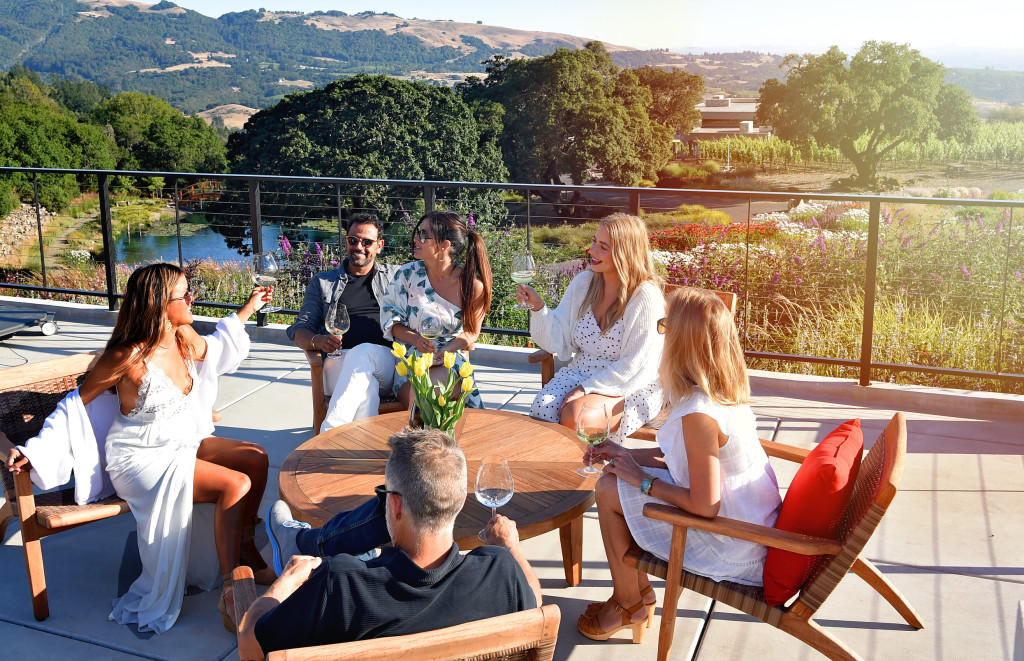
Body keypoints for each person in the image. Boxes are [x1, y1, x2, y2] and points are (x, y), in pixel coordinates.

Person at [8, 263, 274, 633]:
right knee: (235, 484)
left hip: (181, 441)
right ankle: (233, 587)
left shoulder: (185, 336)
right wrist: (35, 450)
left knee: (255, 458)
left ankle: (245, 542)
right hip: (140, 456)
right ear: (161, 303)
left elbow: (217, 350)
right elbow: (75, 403)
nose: (193, 298)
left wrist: (247, 310)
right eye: (185, 293)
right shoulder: (127, 356)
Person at [577, 288, 782, 643]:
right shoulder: (720, 391)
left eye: (663, 325)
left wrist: (641, 480)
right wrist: (622, 454)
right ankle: (636, 595)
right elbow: (686, 462)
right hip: (752, 525)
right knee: (614, 479)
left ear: (681, 341)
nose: (659, 334)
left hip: (734, 544)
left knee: (609, 489)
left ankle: (629, 602)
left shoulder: (698, 414)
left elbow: (705, 504)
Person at [239, 428, 541, 660]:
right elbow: (536, 603)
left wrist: (285, 582)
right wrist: (512, 547)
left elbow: (250, 647)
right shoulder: (499, 570)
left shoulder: (339, 583)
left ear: (395, 506)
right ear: (460, 501)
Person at [517, 213, 665, 443]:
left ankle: (591, 471)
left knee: (576, 417)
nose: (592, 250)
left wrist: (586, 388)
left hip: (629, 383)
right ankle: (557, 472)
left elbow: (637, 364)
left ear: (624, 253)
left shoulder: (645, 296)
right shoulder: (584, 283)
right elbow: (561, 337)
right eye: (594, 241)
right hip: (581, 371)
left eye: (603, 246)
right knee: (542, 408)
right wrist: (538, 307)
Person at [286, 213, 401, 433]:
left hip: (386, 363)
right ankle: (355, 454)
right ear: (346, 241)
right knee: (367, 387)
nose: (359, 246)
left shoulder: (396, 278)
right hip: (338, 363)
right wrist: (319, 341)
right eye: (353, 240)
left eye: (367, 242)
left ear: (379, 246)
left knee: (363, 352)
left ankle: (327, 436)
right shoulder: (322, 283)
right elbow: (299, 330)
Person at [381, 210, 491, 408]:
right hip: (411, 360)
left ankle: (426, 438)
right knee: (420, 395)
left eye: (424, 235)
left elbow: (472, 332)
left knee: (429, 391)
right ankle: (425, 438)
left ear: (444, 245)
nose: (416, 239)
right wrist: (416, 340)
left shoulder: (471, 285)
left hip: (448, 360)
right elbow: (391, 320)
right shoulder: (407, 274)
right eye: (417, 232)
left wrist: (446, 351)